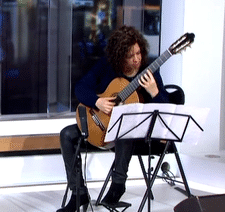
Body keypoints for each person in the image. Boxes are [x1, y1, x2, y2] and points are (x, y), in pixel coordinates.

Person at [57, 25, 170, 212]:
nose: (136, 59)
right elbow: (81, 88)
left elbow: (166, 109)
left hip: (136, 135)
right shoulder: (107, 66)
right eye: (130, 55)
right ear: (119, 56)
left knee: (124, 127)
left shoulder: (150, 72)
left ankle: (118, 186)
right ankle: (78, 193)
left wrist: (155, 91)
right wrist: (98, 102)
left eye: (138, 53)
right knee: (67, 134)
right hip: (102, 126)